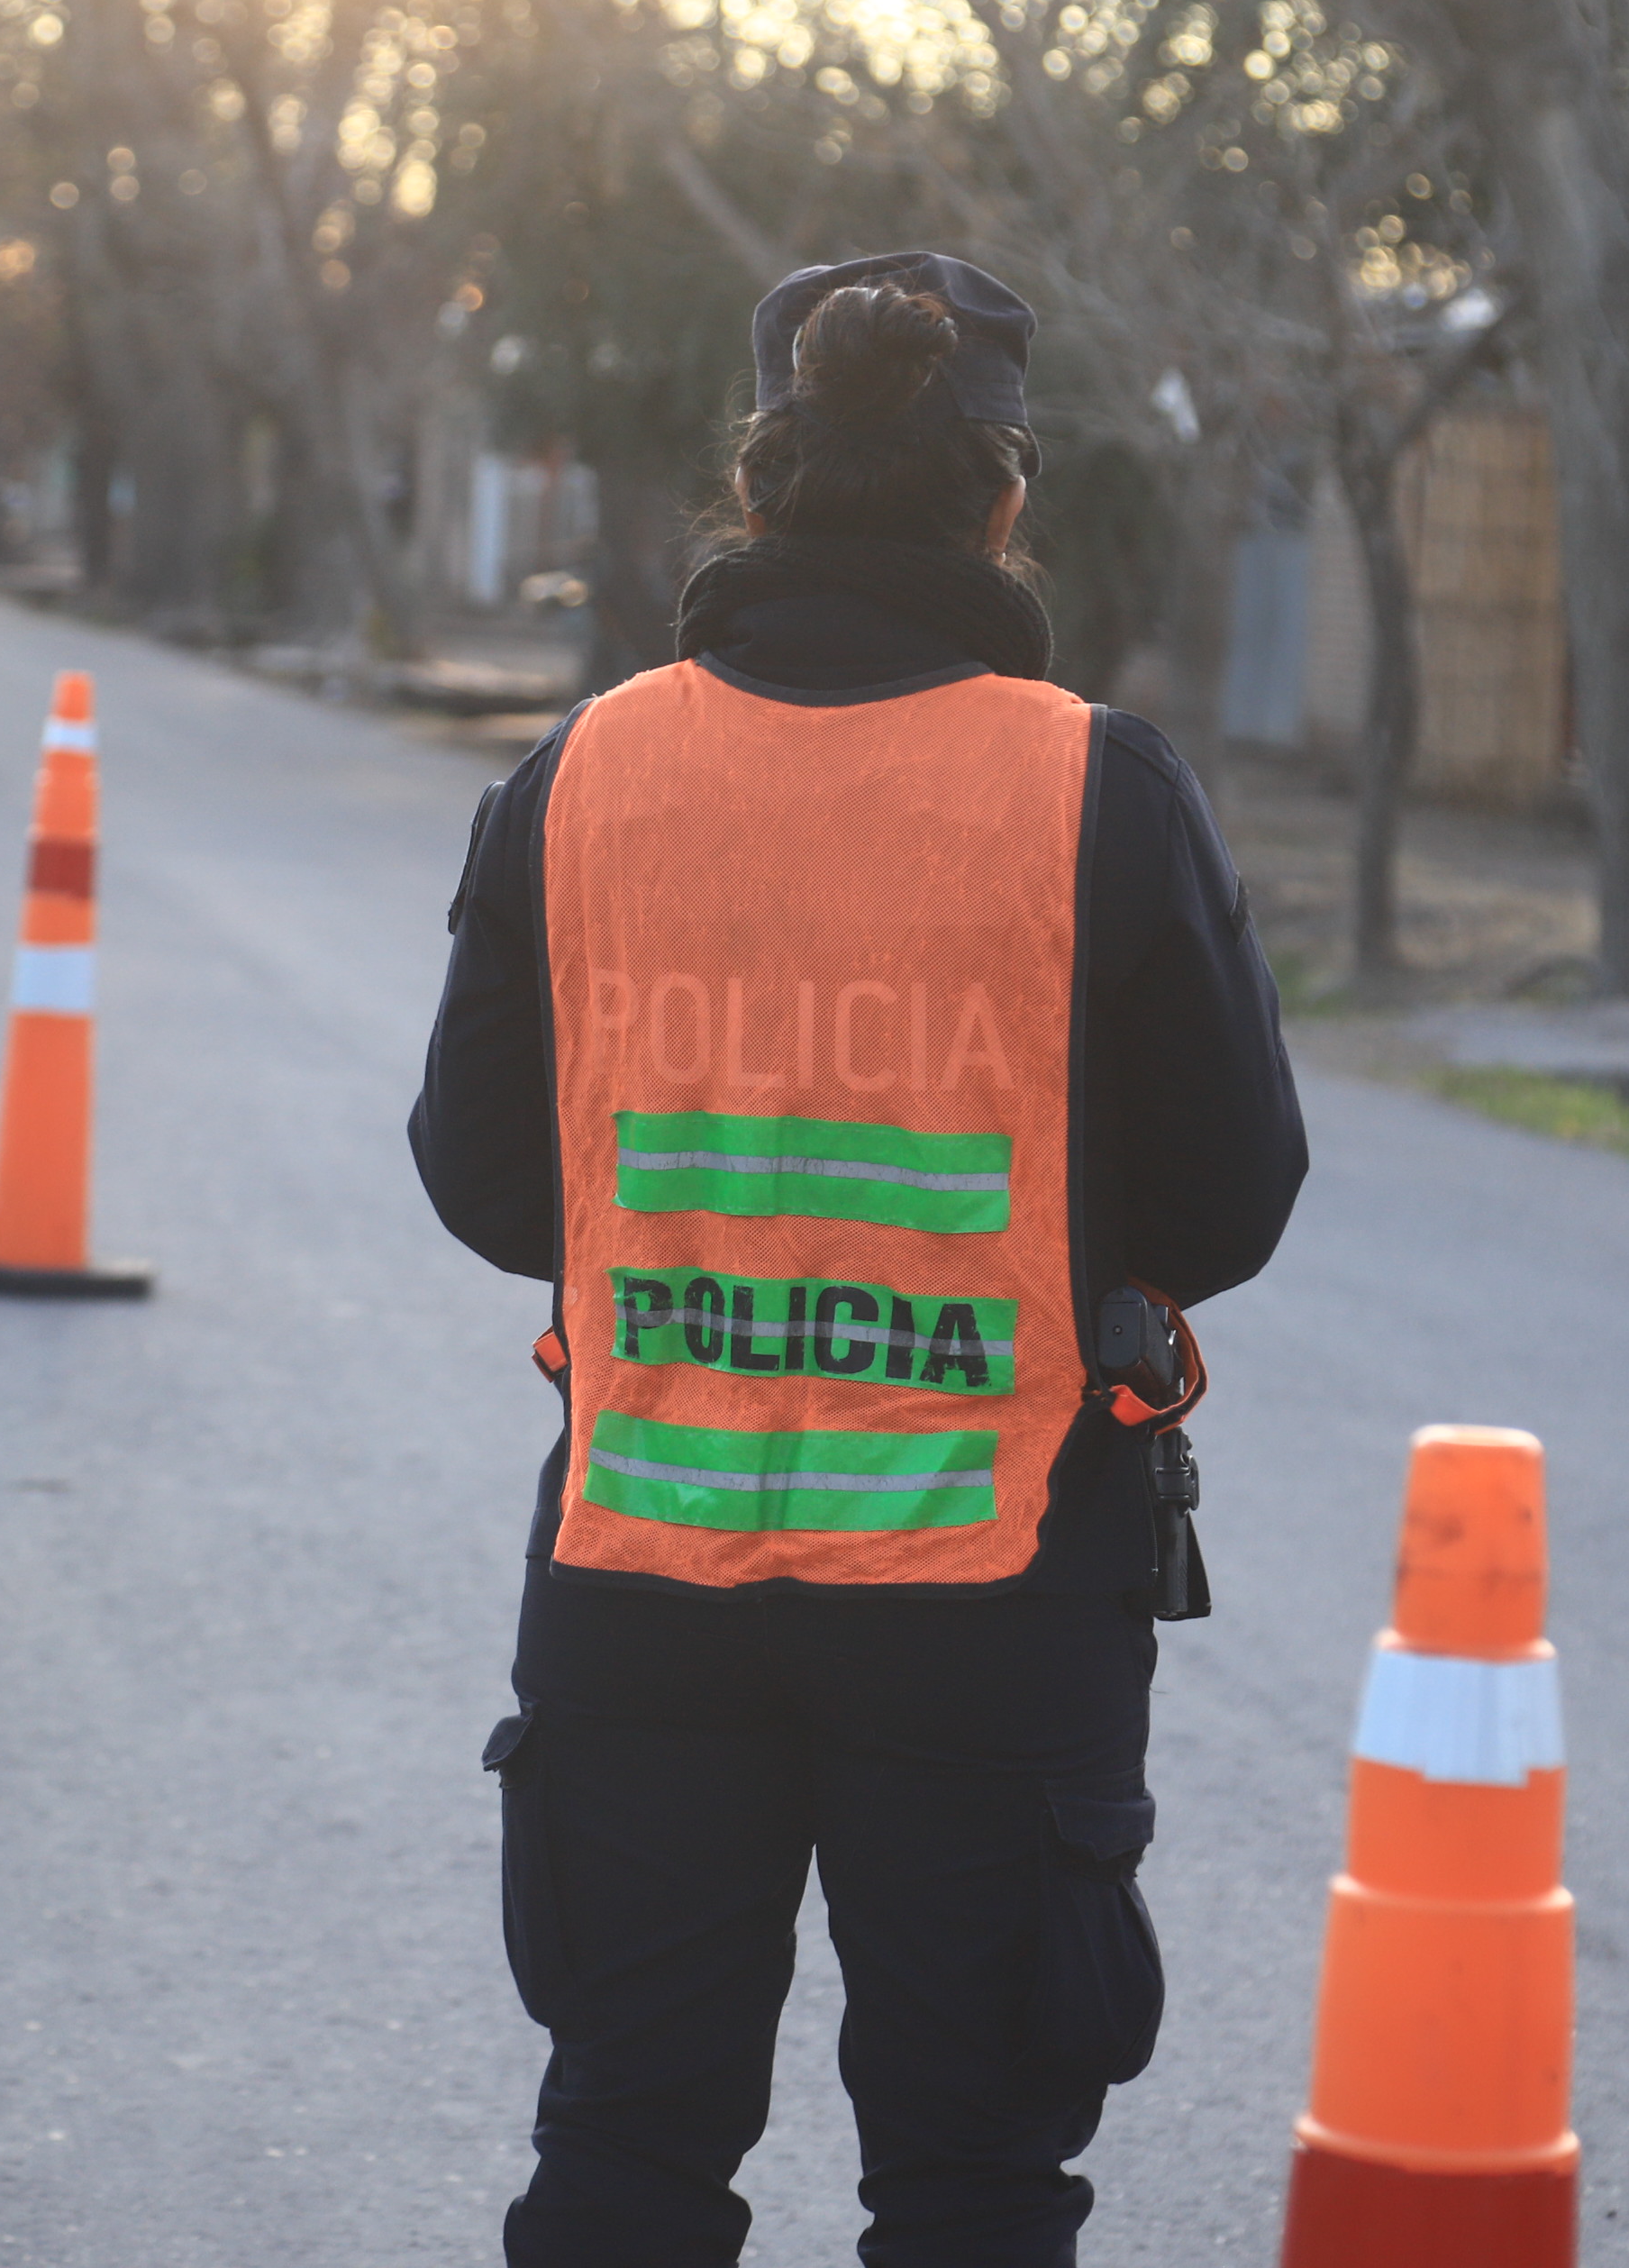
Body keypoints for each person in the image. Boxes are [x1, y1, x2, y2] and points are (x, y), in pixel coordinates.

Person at [412, 253, 1306, 2265]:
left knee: (625, 2151)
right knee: (976, 2183)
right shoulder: (1103, 786)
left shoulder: (584, 775)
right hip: (993, 1598)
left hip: (642, 1572)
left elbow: (483, 1179)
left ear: (759, 474)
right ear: (1006, 497)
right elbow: (1232, 1200)